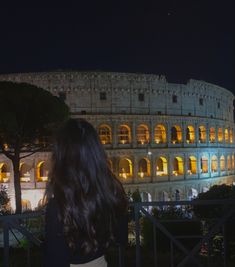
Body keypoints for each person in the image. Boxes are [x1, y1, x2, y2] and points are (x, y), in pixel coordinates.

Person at [43, 118, 128, 267]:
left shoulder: (58, 206)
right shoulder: (111, 193)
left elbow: (55, 260)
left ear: (62, 155)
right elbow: (121, 238)